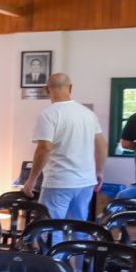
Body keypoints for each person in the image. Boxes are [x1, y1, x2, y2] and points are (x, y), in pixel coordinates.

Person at [22, 73, 107, 220]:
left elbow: (44, 149)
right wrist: (99, 171)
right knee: (78, 225)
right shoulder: (88, 114)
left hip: (59, 181)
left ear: (47, 89)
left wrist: (31, 179)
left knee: (50, 227)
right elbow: (102, 145)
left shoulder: (48, 114)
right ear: (70, 88)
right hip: (86, 182)